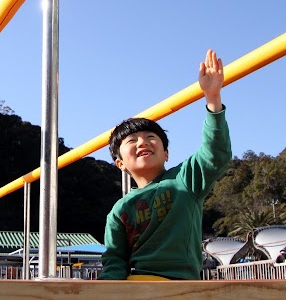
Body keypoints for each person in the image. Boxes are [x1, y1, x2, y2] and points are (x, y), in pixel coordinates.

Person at [99, 49, 232, 280]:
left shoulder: (184, 179)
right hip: (138, 283)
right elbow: (115, 260)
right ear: (120, 163)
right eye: (132, 140)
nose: (143, 142)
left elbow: (215, 153)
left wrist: (212, 99)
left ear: (166, 153)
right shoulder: (120, 210)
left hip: (180, 284)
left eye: (151, 138)